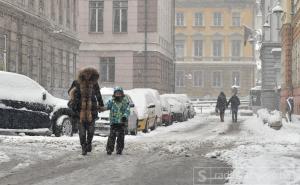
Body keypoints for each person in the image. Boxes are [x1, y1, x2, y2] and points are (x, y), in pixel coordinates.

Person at [68, 67, 104, 155]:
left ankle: (89, 143)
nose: (88, 75)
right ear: (83, 74)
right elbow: (70, 92)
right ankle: (83, 147)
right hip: (79, 111)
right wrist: (74, 97)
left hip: (92, 110)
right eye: (86, 74)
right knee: (82, 132)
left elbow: (98, 94)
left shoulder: (94, 83)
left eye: (90, 74)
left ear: (92, 75)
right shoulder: (77, 82)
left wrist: (101, 105)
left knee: (91, 131)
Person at [106, 87, 130, 155]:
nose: (118, 95)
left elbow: (127, 110)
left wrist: (125, 116)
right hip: (113, 122)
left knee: (121, 137)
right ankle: (109, 149)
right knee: (111, 136)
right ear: (114, 94)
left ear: (122, 94)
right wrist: (101, 108)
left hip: (121, 122)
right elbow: (107, 106)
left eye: (119, 93)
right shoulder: (112, 101)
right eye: (116, 93)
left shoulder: (125, 101)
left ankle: (119, 149)